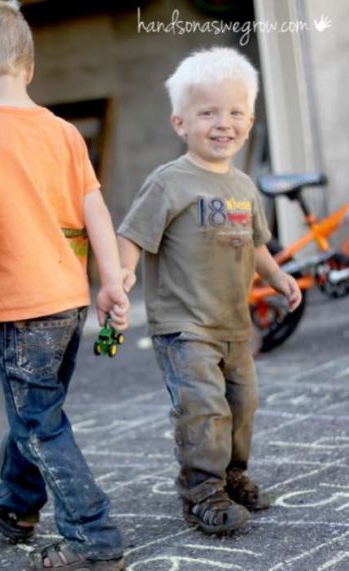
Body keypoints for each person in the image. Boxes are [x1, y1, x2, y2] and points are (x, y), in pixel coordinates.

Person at [0, 0, 129, 571]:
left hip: (23, 310)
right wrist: (112, 280)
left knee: (38, 421)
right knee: (37, 410)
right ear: (28, 68)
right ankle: (15, 505)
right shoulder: (63, 131)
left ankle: (93, 534)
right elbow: (94, 205)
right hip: (68, 302)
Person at [117, 47, 302, 535]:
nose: (224, 123)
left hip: (233, 323)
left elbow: (257, 244)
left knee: (242, 404)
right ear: (180, 123)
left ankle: (231, 474)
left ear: (250, 118)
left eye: (235, 112)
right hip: (185, 326)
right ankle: (202, 489)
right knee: (204, 408)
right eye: (208, 113)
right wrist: (122, 276)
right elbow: (132, 234)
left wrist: (278, 277)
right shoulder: (169, 183)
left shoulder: (243, 186)